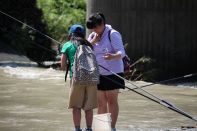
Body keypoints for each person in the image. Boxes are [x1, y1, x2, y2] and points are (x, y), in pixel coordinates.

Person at [86, 13, 126, 131]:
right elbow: (85, 50)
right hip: (98, 73)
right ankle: (102, 128)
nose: (94, 30)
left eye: (96, 27)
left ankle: (112, 127)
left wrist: (113, 56)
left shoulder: (112, 34)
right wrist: (92, 41)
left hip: (114, 73)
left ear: (102, 24)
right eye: (92, 28)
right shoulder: (93, 35)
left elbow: (121, 53)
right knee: (100, 102)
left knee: (112, 101)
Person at [61, 24, 97, 131]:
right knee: (88, 107)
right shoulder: (89, 45)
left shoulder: (67, 45)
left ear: (70, 34)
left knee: (76, 106)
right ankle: (89, 129)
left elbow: (62, 66)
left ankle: (77, 129)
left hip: (77, 78)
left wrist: (69, 62)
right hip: (91, 78)